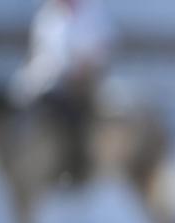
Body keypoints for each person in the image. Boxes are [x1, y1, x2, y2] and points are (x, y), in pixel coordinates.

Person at [8, 0, 114, 182]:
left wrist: (84, 66)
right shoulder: (48, 15)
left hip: (81, 82)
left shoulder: (93, 11)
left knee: (72, 116)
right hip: (50, 79)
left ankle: (73, 166)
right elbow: (41, 52)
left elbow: (102, 48)